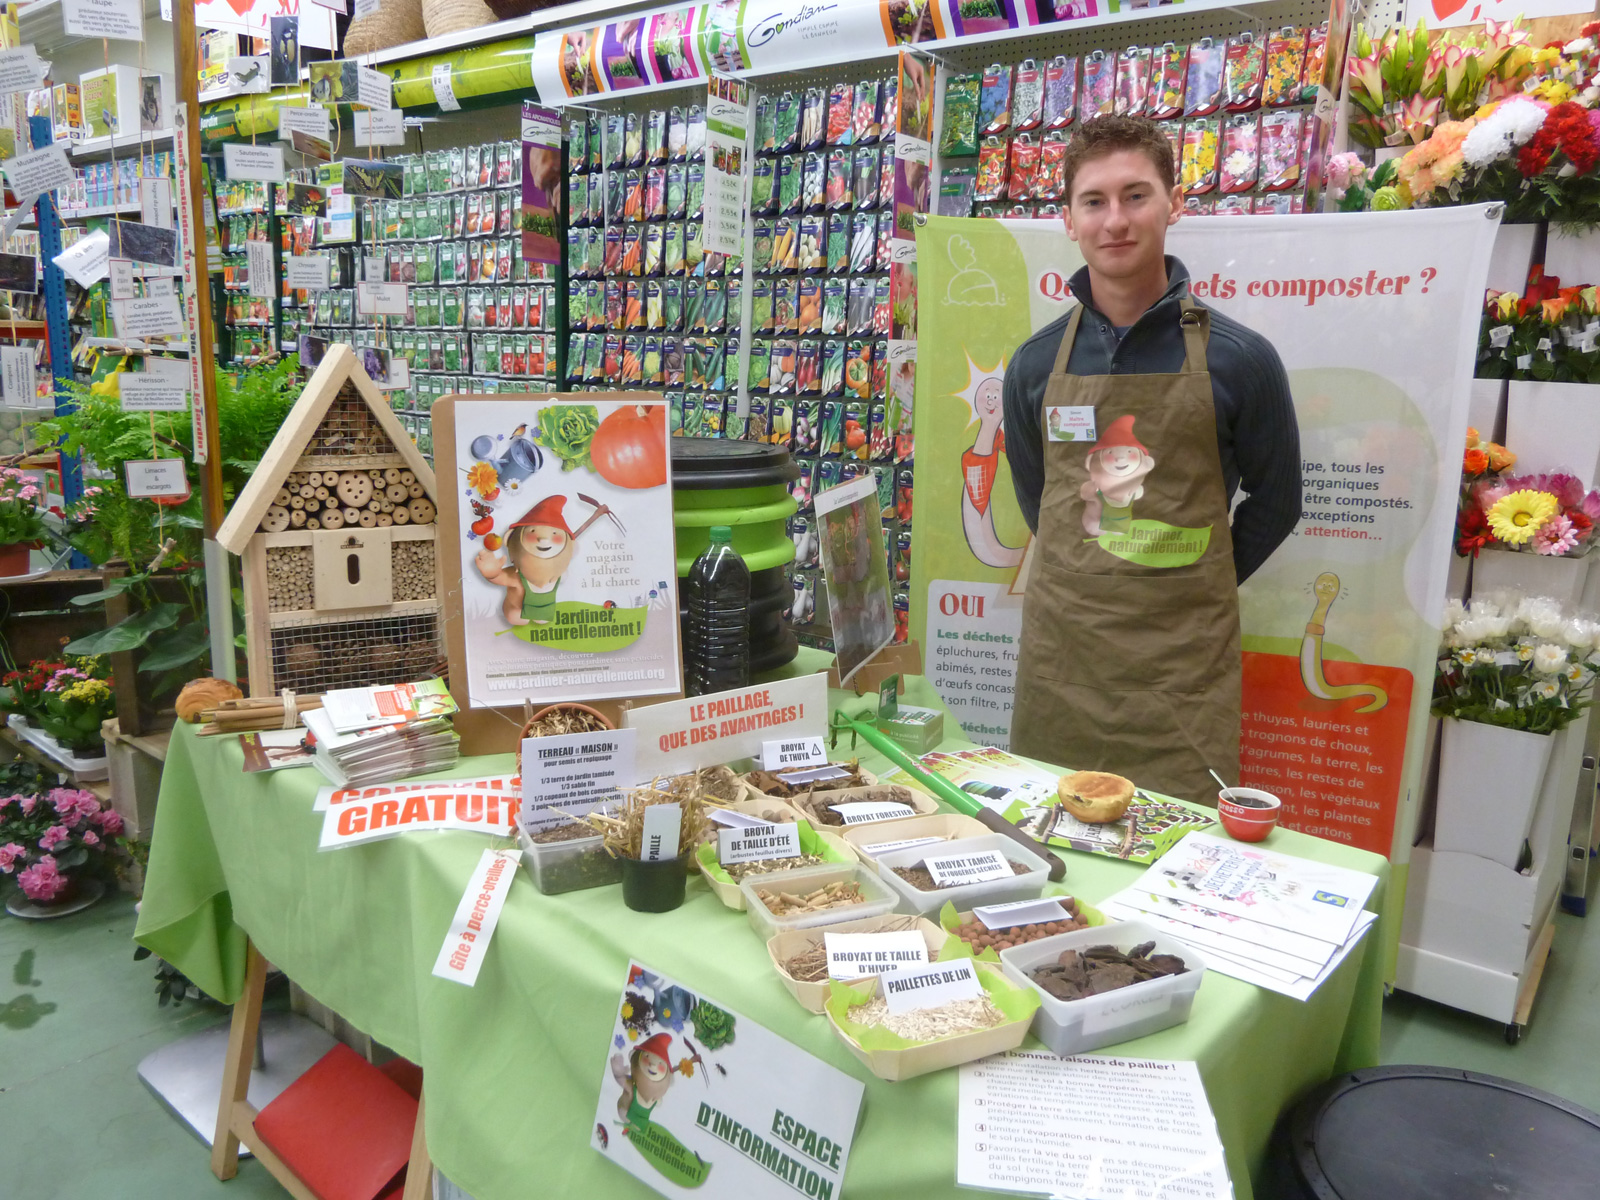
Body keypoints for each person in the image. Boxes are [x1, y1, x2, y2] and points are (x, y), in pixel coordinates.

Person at [1002, 115, 1300, 804]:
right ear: (1069, 221)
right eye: (1094, 201)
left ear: (1175, 204)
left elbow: (1279, 502)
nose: (1116, 220)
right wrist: (1100, 570)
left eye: (1136, 196)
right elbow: (1037, 500)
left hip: (1181, 672)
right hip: (1064, 666)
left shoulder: (1240, 359)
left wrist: (1194, 578)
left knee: (1180, 847)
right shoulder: (1035, 364)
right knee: (1057, 835)